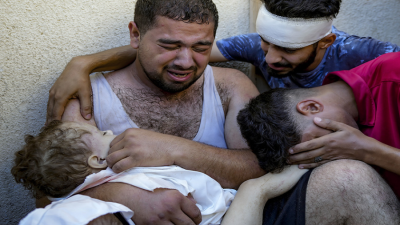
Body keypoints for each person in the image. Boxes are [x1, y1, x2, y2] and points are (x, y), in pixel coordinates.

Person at [45, 0, 400, 123]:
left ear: (325, 42)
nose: (270, 59)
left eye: (287, 52)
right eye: (266, 44)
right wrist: (84, 63)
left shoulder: (367, 55)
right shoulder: (255, 48)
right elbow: (187, 53)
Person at [12, 119, 308, 225]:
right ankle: (300, 167)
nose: (111, 131)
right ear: (97, 161)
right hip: (220, 215)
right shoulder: (135, 179)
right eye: (102, 132)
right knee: (253, 190)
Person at [237, 52, 400, 224]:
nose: (334, 152)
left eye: (325, 143)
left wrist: (368, 150)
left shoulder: (394, 74)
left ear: (312, 107)